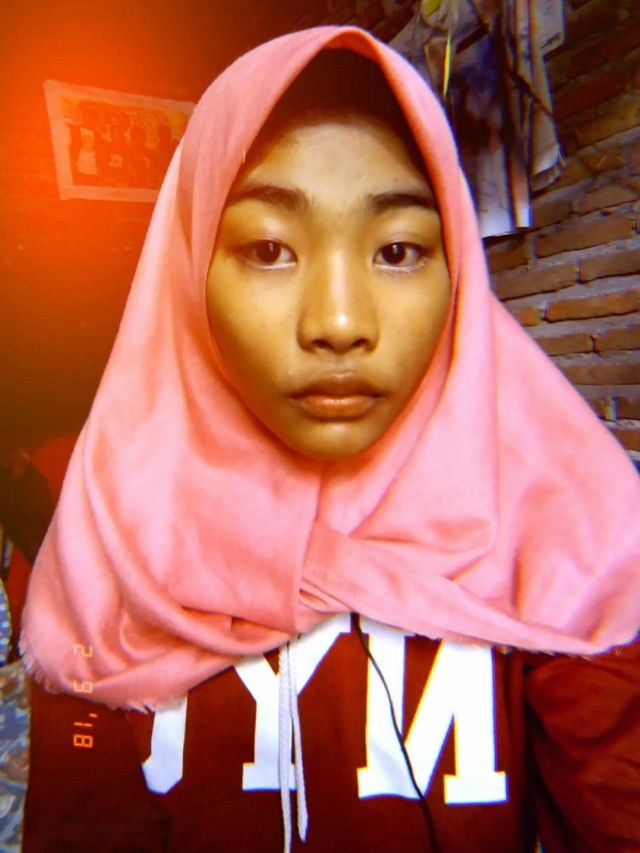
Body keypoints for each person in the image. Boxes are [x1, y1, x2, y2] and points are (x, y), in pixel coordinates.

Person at [19, 27, 640, 852]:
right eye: (269, 249)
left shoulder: (562, 530)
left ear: (457, 268)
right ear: (191, 269)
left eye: (399, 250)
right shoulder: (111, 548)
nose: (340, 321)